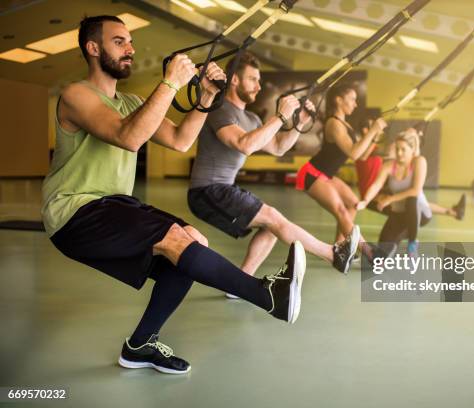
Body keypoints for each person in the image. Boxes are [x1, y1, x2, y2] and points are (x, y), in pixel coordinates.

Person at [42, 15, 306, 375]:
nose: (130, 48)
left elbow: (181, 142)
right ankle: (267, 296)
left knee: (192, 244)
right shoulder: (75, 95)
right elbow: (128, 137)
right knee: (177, 242)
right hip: (74, 209)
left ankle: (139, 346)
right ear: (92, 48)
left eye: (130, 41)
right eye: (119, 41)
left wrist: (207, 98)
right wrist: (170, 83)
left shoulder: (131, 101)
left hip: (114, 205)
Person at [188, 52, 360, 282]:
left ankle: (239, 283)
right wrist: (280, 116)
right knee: (273, 217)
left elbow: (279, 147)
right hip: (206, 191)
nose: (258, 86)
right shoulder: (220, 108)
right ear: (235, 80)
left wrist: (298, 124)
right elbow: (244, 144)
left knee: (272, 226)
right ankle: (333, 254)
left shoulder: (251, 118)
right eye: (252, 79)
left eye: (259, 80)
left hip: (223, 188)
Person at [296, 84, 387, 244]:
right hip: (312, 173)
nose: (355, 104)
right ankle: (368, 252)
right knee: (340, 210)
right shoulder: (333, 124)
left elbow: (362, 156)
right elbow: (353, 152)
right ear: (338, 100)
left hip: (327, 176)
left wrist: (374, 136)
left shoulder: (346, 126)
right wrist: (372, 130)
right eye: (352, 99)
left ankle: (339, 248)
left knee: (353, 204)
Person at [357, 130, 465, 256]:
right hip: (398, 214)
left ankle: (412, 243)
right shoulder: (389, 166)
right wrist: (365, 201)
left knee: (411, 199)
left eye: (403, 149)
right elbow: (376, 185)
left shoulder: (419, 161)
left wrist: (389, 199)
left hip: (419, 213)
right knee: (381, 253)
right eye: (397, 149)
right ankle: (389, 249)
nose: (399, 153)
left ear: (412, 149)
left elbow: (415, 190)